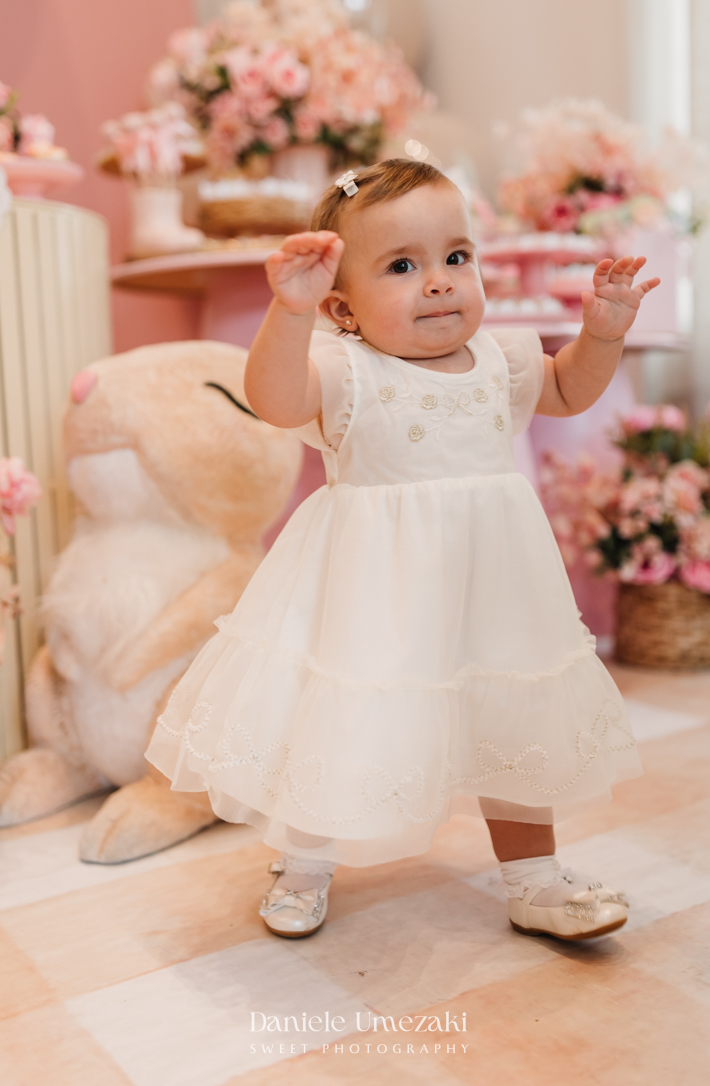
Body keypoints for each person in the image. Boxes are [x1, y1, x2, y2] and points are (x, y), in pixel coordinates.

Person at [147, 159, 659, 943]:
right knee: (344, 713)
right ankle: (305, 861)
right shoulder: (346, 372)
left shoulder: (506, 359)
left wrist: (601, 333)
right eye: (403, 266)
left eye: (457, 257)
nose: (441, 282)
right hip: (371, 594)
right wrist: (289, 314)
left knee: (511, 715)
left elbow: (566, 391)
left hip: (492, 588)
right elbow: (273, 399)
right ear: (343, 307)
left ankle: (534, 877)